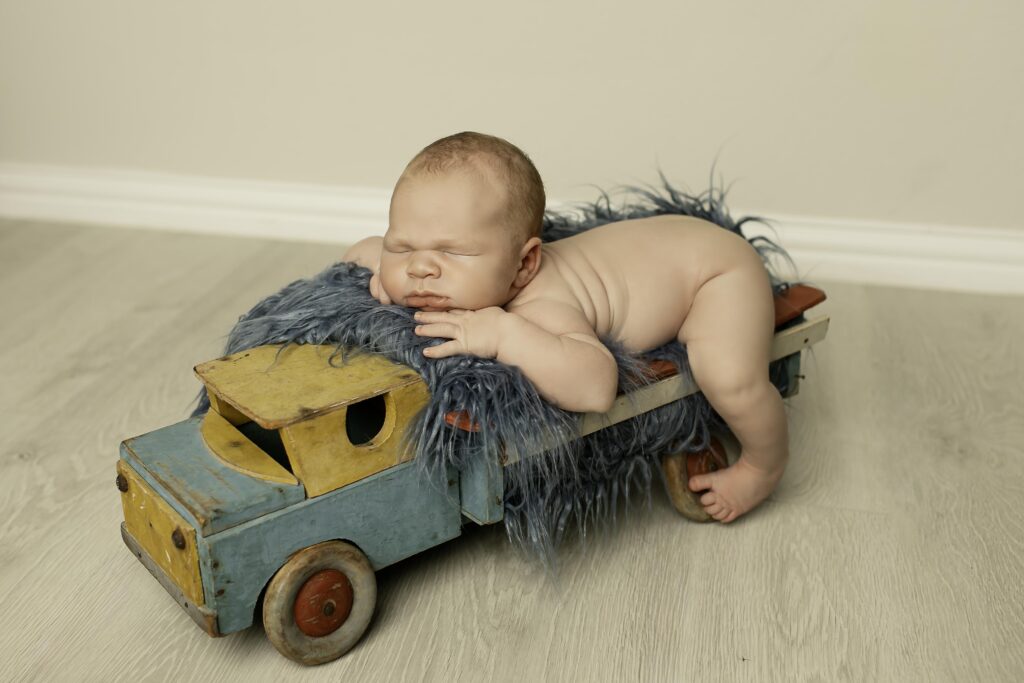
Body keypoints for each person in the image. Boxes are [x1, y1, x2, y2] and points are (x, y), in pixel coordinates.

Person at [343, 131, 788, 524]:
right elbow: (363, 249)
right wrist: (387, 269)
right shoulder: (416, 265)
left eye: (452, 254)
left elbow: (596, 386)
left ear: (525, 263)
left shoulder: (543, 302)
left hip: (714, 275)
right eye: (404, 246)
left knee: (727, 377)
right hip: (666, 244)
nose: (420, 268)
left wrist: (502, 334)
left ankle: (763, 465)